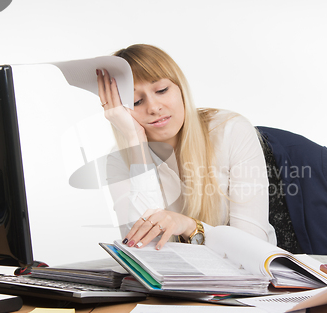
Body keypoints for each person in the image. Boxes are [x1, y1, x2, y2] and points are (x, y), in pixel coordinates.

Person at [96, 44, 276, 250]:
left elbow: (252, 248)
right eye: (136, 101)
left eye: (162, 90)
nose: (154, 107)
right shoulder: (119, 159)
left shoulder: (231, 131)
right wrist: (135, 142)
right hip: (173, 280)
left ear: (180, 88)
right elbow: (143, 250)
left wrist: (189, 227)